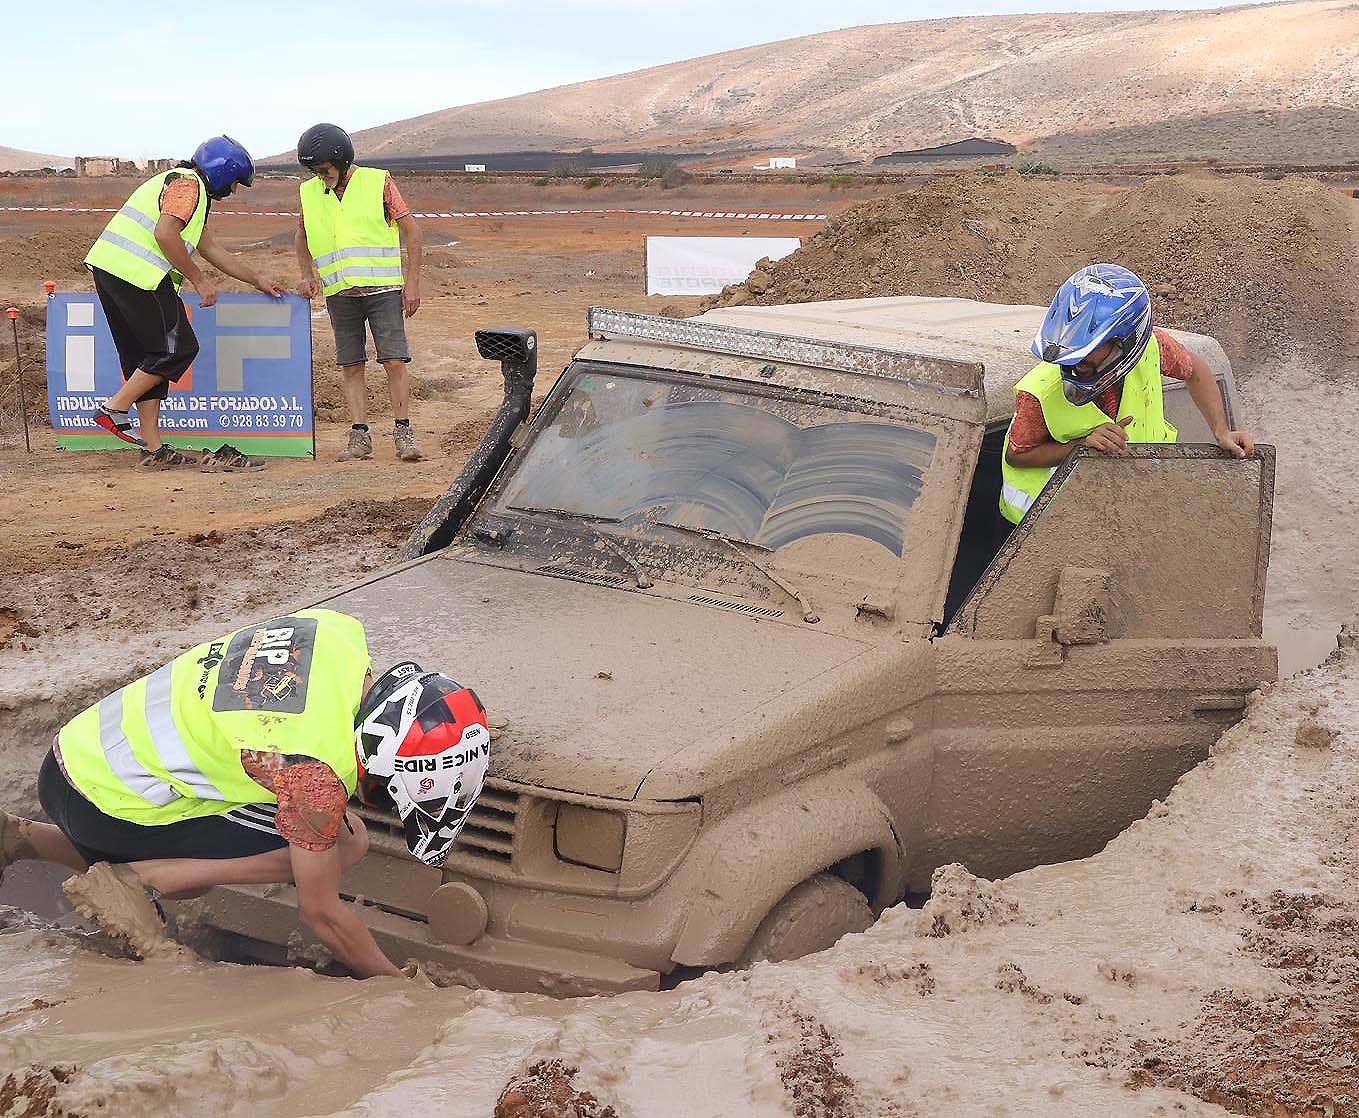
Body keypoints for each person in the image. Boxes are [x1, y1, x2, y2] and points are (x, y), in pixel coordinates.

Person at [0, 609, 490, 979]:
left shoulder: (339, 633)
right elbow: (321, 913)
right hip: (109, 804)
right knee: (347, 842)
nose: (375, 797)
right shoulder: (312, 773)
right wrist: (394, 984)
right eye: (384, 791)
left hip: (77, 754)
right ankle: (145, 879)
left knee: (284, 813)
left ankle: (25, 838)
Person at [998, 263, 1255, 530]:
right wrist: (1080, 446)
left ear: (1125, 342)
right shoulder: (1038, 392)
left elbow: (1195, 370)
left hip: (1129, 508)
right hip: (1044, 527)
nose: (1077, 362)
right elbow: (1017, 456)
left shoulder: (1154, 348)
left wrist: (1221, 431)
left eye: (1089, 350)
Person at [87, 135, 285, 470]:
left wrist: (257, 280)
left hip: (111, 271)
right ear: (223, 172)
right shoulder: (188, 186)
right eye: (235, 182)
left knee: (149, 360)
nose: (234, 190)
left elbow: (213, 250)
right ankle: (114, 408)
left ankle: (152, 449)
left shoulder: (182, 188)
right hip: (140, 276)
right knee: (177, 349)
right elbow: (165, 234)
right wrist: (198, 278)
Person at [294, 123, 424, 463]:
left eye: (323, 169)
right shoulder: (309, 192)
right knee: (350, 365)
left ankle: (403, 433)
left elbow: (412, 231)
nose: (319, 176)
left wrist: (412, 283)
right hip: (340, 294)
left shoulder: (377, 182)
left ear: (341, 158)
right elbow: (302, 235)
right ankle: (359, 437)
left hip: (382, 291)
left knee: (394, 360)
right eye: (314, 171)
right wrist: (306, 275)